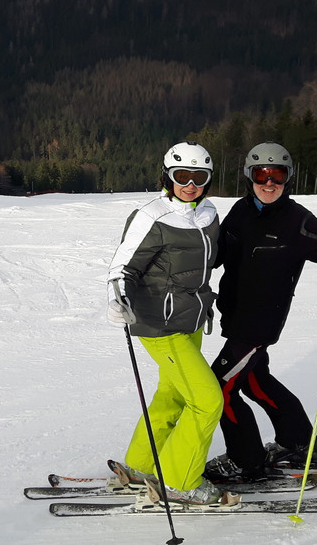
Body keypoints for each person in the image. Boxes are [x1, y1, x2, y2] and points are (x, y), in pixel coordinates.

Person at [205, 142, 317, 483]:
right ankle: (297, 442)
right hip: (235, 317)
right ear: (249, 176)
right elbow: (217, 255)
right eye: (261, 174)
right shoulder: (240, 212)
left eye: (277, 175)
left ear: (287, 178)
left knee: (219, 387)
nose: (269, 183)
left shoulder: (296, 220)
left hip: (259, 323)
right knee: (254, 380)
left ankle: (246, 460)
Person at [105, 141, 231, 506]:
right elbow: (122, 267)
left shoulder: (208, 213)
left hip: (191, 319)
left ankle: (141, 465)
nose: (189, 184)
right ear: (167, 176)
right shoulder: (152, 216)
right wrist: (117, 297)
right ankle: (180, 480)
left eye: (198, 177)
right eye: (182, 176)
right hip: (159, 324)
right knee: (207, 401)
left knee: (173, 394)